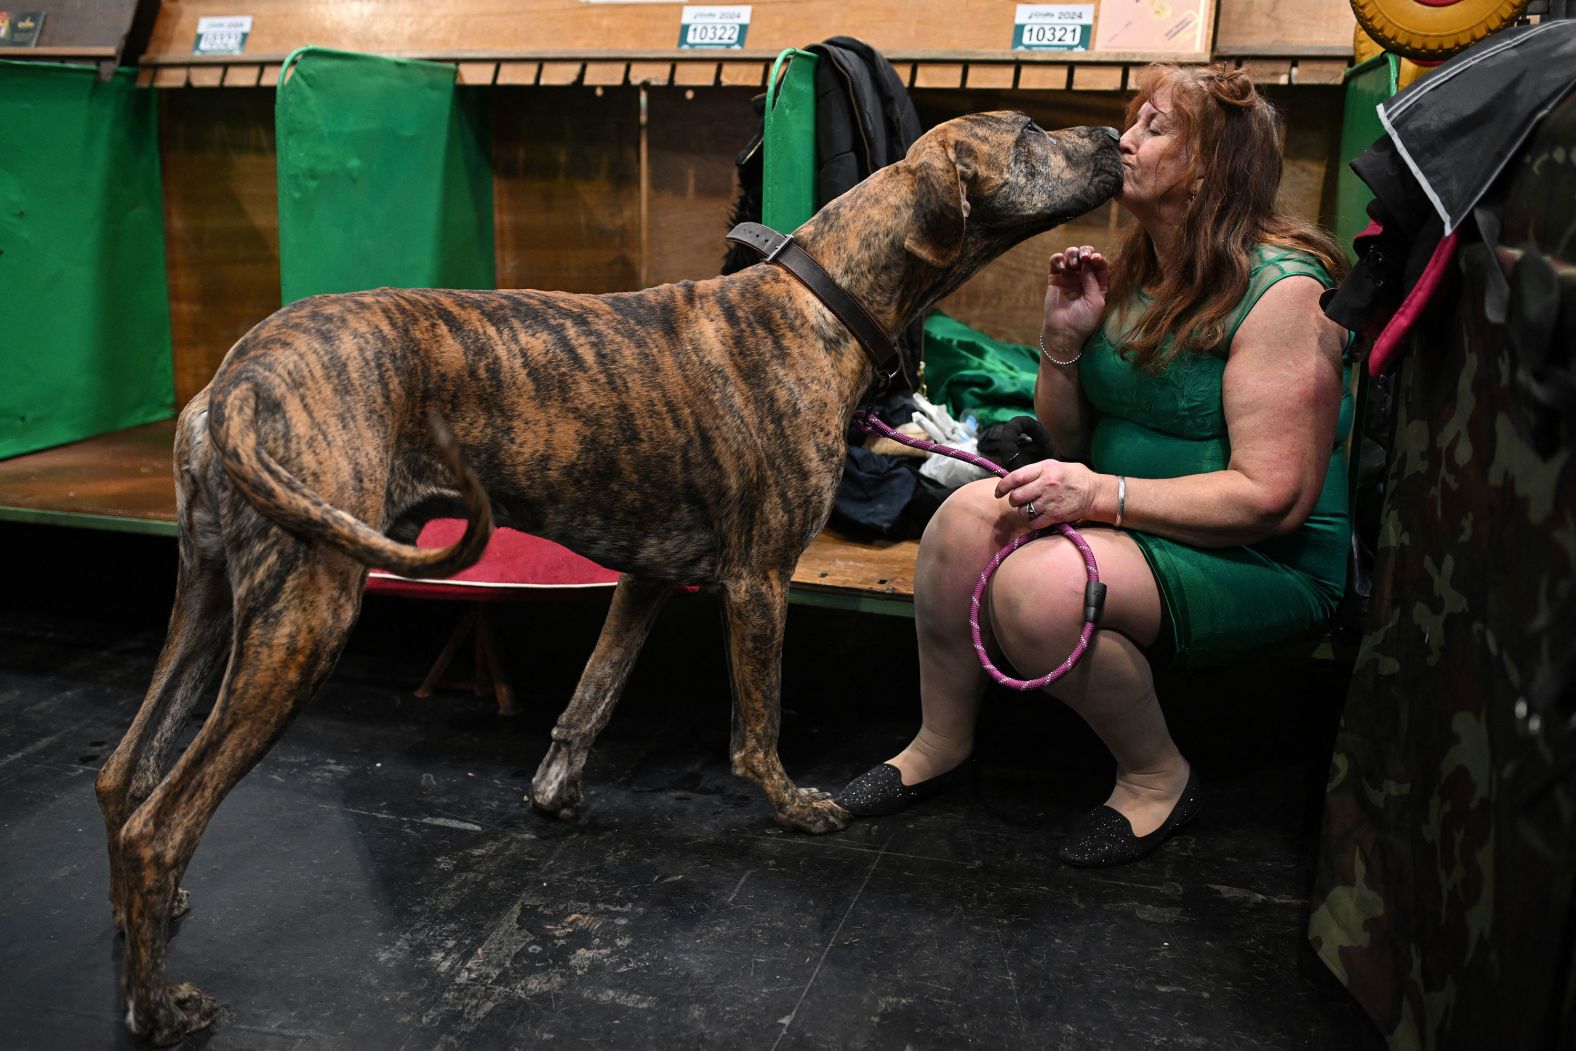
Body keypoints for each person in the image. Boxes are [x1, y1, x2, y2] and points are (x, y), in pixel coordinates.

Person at [835, 63, 1354, 867]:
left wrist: (1100, 495)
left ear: (1210, 166)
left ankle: (1157, 776)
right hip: (1138, 520)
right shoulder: (1145, 264)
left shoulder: (1286, 291)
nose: (1126, 139)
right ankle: (940, 740)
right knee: (959, 524)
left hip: (1260, 555)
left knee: (1038, 591)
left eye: (1155, 126)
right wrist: (1065, 342)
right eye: (1133, 119)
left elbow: (1272, 497)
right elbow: (1065, 440)